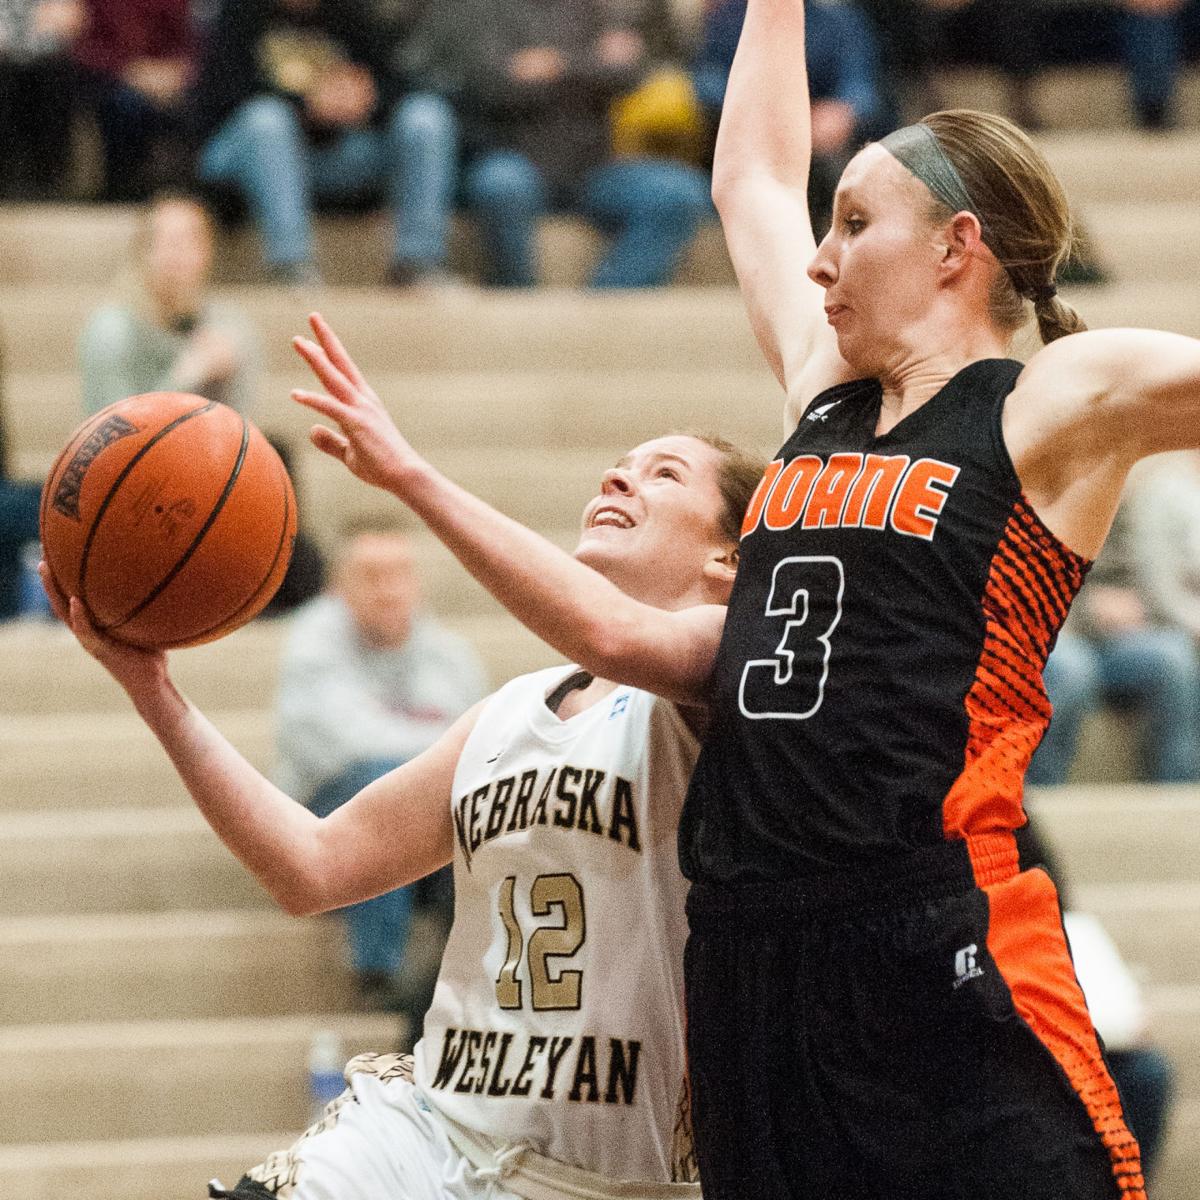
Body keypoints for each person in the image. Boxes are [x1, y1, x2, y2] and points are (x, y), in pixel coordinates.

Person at [280, 5, 1200, 1197]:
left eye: (856, 224)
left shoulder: (1047, 397)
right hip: (749, 959)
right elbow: (753, 176)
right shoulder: (822, 397)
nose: (820, 258)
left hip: (932, 927)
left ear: (956, 248)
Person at [39, 351, 764, 1195]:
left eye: (664, 473)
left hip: (606, 1177)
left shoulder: (725, 677)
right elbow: (312, 867)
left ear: (727, 561)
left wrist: (411, 476)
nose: (620, 476)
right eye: (620, 464)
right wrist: (150, 687)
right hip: (429, 1131)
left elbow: (610, 638)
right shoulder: (505, 714)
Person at [274, 519, 485, 1011]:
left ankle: (460, 977)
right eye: (371, 575)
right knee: (380, 779)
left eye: (400, 573)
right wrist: (434, 751)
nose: (389, 590)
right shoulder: (313, 643)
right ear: (338, 586)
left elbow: (482, 751)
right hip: (328, 810)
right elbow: (342, 746)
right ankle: (375, 971)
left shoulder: (450, 655)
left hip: (428, 810)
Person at [416, 0, 712, 288]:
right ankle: (518, 311)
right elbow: (489, 84)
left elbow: (628, 73)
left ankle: (598, 315)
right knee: (500, 184)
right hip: (515, 163)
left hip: (590, 172)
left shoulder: (592, 9)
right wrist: (588, 65)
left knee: (680, 192)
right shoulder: (482, 9)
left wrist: (556, 65)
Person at [192, 0, 459, 286]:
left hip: (330, 158)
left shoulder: (352, 13)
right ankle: (291, 267)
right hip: (241, 156)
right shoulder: (239, 12)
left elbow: (398, 82)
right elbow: (217, 99)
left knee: (426, 114)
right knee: (267, 120)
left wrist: (369, 97)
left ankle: (418, 264)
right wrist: (307, 104)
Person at [1028, 501, 1200, 786]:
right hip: (1058, 636)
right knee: (1071, 670)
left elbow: (1144, 578)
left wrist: (1137, 606)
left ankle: (1180, 800)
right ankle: (1034, 805)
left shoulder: (1118, 500)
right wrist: (1087, 608)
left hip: (1115, 643)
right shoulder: (1034, 496)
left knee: (1173, 656)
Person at [78, 192, 261, 416]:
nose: (177, 253)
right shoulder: (111, 330)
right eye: (167, 241)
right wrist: (186, 375)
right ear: (142, 251)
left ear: (207, 252)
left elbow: (242, 427)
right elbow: (115, 432)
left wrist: (225, 377)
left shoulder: (229, 324)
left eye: (190, 240)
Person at [72, 0, 195, 201]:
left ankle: (185, 192)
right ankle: (122, 191)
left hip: (171, 80)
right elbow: (86, 49)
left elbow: (191, 44)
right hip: (113, 80)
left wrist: (176, 73)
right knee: (123, 105)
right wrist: (131, 71)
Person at [0, 0, 85, 200]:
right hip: (6, 64)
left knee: (52, 76)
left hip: (50, 61)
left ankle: (49, 180)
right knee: (6, 79)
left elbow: (70, 18)